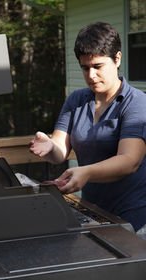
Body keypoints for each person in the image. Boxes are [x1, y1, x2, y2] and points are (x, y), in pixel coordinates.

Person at [29, 22, 146, 234]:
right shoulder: (77, 100)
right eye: (85, 68)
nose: (91, 75)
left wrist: (86, 172)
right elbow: (60, 150)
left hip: (135, 220)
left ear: (117, 59)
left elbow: (130, 161)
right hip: (94, 213)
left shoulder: (136, 103)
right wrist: (48, 146)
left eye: (98, 67)